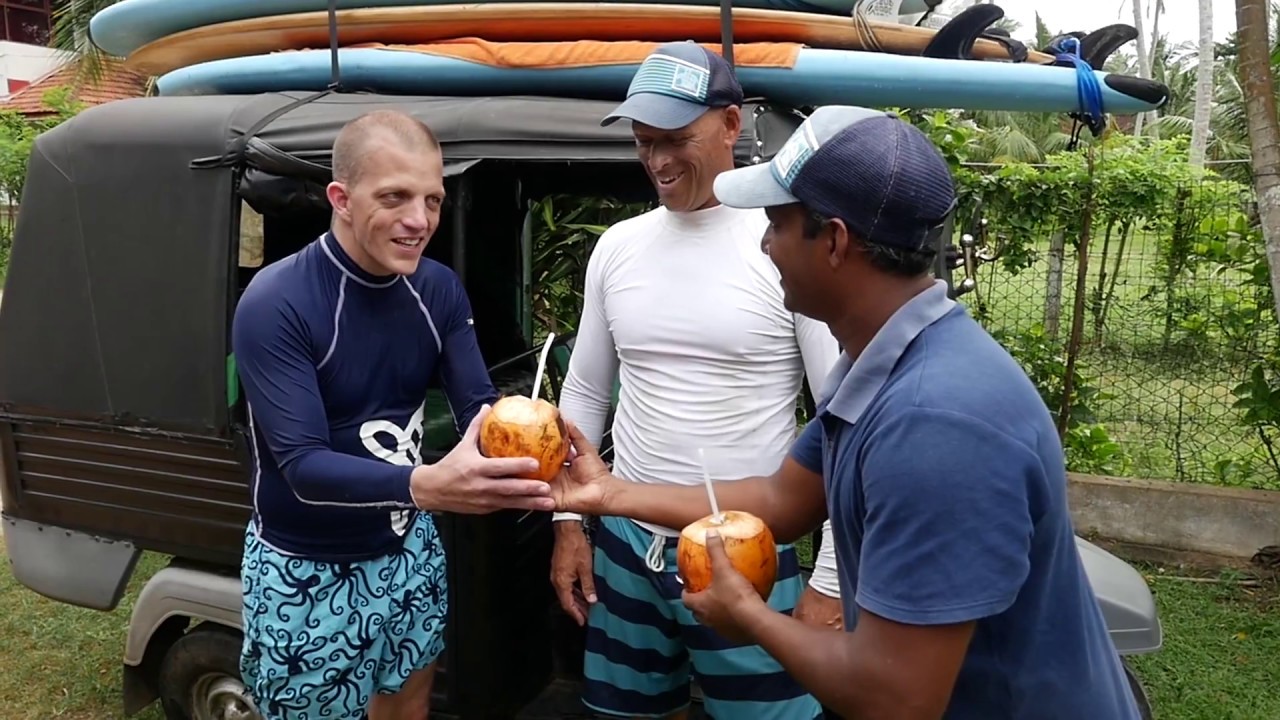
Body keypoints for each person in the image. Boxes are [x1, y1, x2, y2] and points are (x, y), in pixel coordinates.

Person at [551, 105, 1144, 720]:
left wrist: (750, 616)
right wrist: (607, 495)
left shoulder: (935, 424)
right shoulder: (878, 361)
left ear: (833, 241)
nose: (761, 242)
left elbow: (895, 700)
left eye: (776, 223)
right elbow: (781, 502)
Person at [231, 109, 555, 720]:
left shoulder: (436, 288)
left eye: (432, 199)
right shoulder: (277, 302)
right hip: (306, 568)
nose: (419, 221)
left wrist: (538, 442)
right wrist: (426, 485)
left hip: (409, 550)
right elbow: (301, 466)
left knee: (410, 705)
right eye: (395, 197)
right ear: (341, 198)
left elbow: (476, 407)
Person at [550, 40, 839, 720]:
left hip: (747, 546)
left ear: (732, 125)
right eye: (644, 141)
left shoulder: (782, 244)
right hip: (626, 543)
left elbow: (841, 419)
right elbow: (588, 391)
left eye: (676, 139)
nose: (656, 161)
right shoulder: (618, 246)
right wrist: (569, 522)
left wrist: (831, 577)